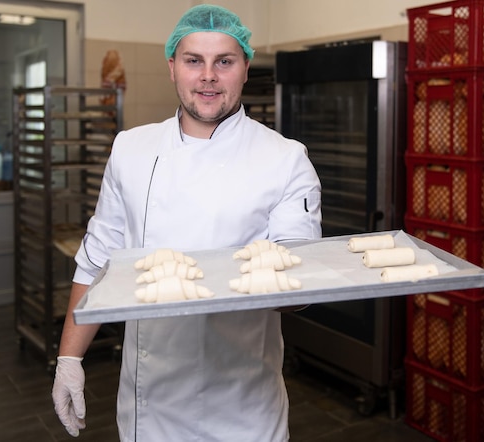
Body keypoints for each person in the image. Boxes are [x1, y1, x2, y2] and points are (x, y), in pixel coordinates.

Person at [52, 4, 322, 441]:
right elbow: (96, 261)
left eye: (225, 62)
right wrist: (69, 359)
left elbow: (298, 288)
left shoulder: (285, 159)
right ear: (172, 68)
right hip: (148, 403)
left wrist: (285, 278)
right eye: (194, 60)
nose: (208, 76)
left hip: (243, 405)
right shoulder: (131, 149)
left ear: (246, 68)